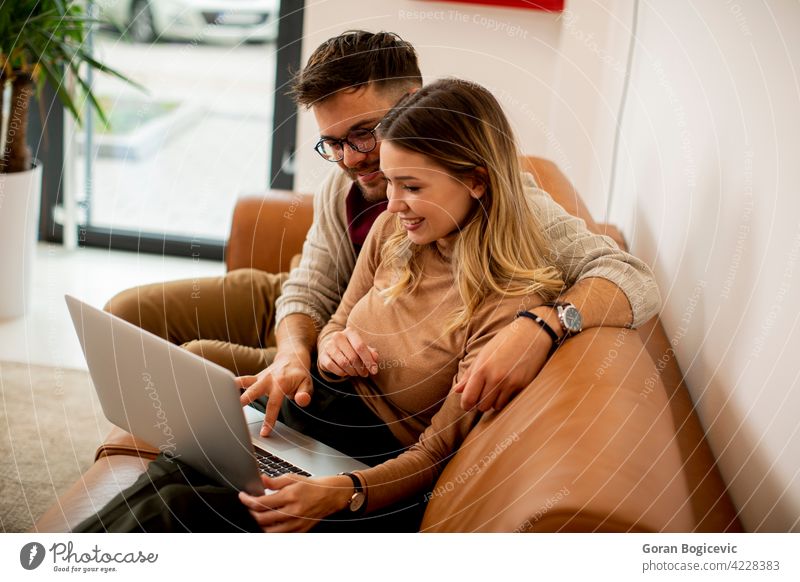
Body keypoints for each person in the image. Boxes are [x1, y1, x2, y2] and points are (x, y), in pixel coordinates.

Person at [76, 77, 656, 533]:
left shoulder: (509, 300)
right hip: (317, 412)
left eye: (414, 186)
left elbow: (434, 454)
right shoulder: (393, 232)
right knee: (172, 466)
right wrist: (325, 345)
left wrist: (344, 490)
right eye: (392, 180)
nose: (393, 201)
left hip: (366, 462)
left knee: (173, 509)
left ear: (477, 182)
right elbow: (332, 317)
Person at [105, 30, 660, 448]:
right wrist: (299, 350)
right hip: (336, 317)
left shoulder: (506, 199)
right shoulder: (339, 188)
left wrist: (543, 324)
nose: (350, 159)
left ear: (413, 101)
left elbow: (631, 277)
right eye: (332, 143)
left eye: (364, 133)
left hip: (367, 352)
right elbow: (310, 285)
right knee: (126, 314)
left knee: (198, 363)